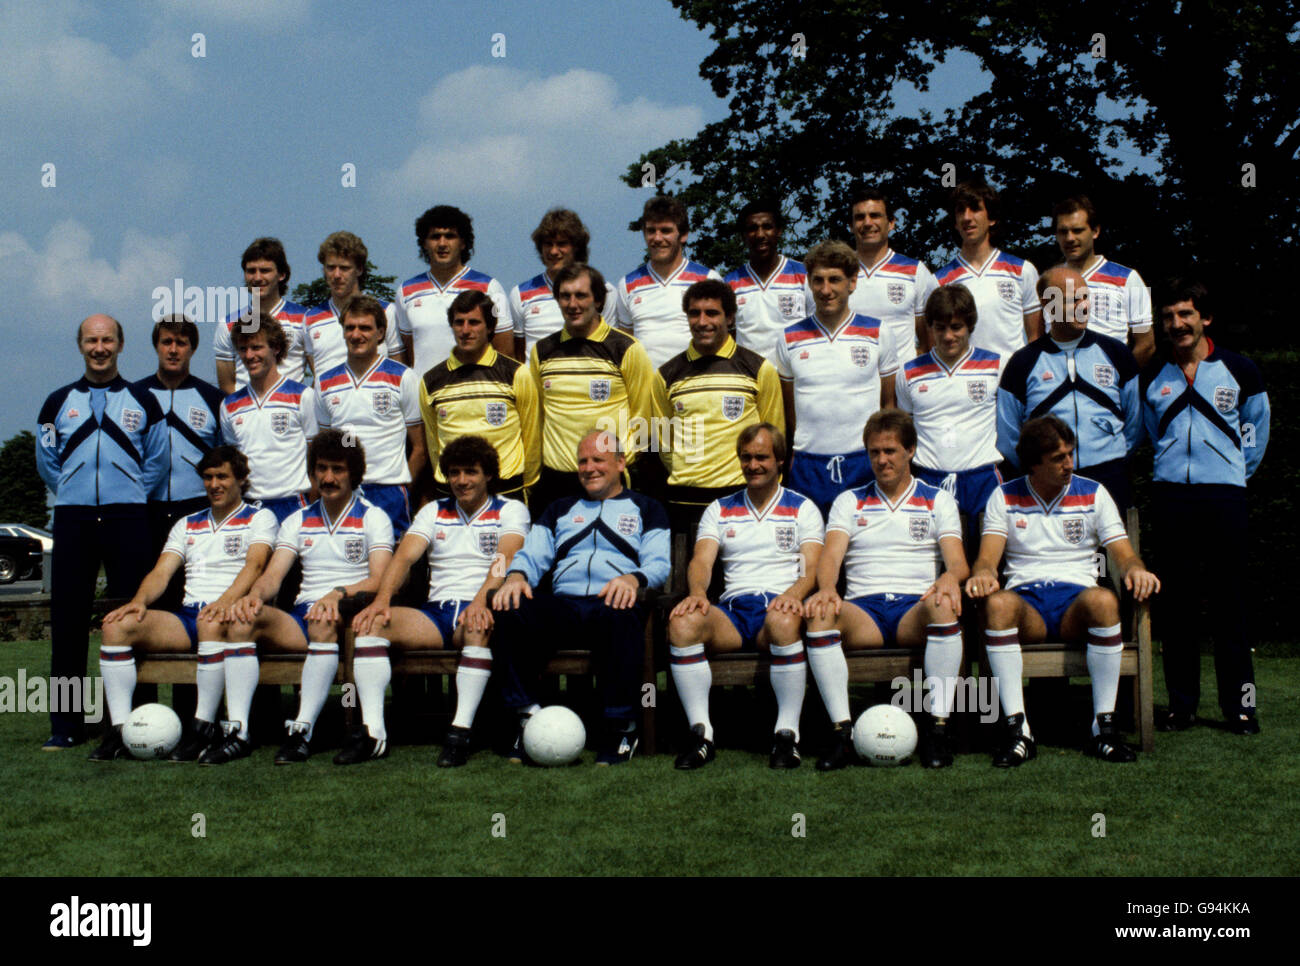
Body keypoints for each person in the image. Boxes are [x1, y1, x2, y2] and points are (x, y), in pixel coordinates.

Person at [965, 416, 1160, 765]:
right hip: (1029, 606)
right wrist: (982, 576)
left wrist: (1137, 571)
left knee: (1104, 599)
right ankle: (1018, 730)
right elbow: (986, 561)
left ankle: (1104, 728)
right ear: (1034, 464)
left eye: (1070, 454)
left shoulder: (1093, 493)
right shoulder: (1004, 496)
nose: (1069, 463)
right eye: (1058, 458)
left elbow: (1125, 555)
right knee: (997, 605)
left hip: (1076, 602)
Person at [492, 429, 669, 765]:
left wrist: (633, 578)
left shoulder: (648, 508)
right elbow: (534, 554)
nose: (589, 468)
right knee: (510, 607)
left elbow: (658, 562)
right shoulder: (558, 508)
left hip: (612, 603)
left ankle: (622, 727)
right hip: (565, 606)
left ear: (620, 462)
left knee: (620, 611)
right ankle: (527, 717)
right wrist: (516, 575)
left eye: (598, 460)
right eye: (583, 461)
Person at [89, 447, 277, 763]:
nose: (214, 484)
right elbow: (162, 572)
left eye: (222, 476)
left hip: (229, 615)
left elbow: (255, 566)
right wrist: (139, 602)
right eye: (208, 477)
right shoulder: (187, 523)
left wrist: (224, 602)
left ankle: (202, 729)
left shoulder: (260, 517)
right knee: (115, 627)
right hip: (190, 616)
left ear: (241, 480)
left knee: (211, 621)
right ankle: (119, 732)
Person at [804, 410, 969, 769]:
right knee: (820, 613)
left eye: (891, 451)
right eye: (874, 452)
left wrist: (948, 577)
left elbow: (958, 564)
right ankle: (841, 734)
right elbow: (830, 557)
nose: (882, 460)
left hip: (915, 607)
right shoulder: (849, 501)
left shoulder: (937, 499)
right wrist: (828, 588)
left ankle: (938, 729)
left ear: (910, 450)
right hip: (865, 610)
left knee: (944, 604)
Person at [352, 435, 529, 767]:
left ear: (488, 474)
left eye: (471, 472)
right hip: (437, 613)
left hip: (482, 608)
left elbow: (505, 559)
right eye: (455, 473)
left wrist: (480, 603)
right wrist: (382, 599)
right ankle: (374, 734)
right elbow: (404, 558)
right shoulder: (433, 510)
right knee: (372, 624)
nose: (462, 481)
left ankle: (459, 733)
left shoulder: (510, 509)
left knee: (477, 628)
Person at [1141, 279, 1269, 735]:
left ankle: (1243, 707)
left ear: (1205, 318)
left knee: (1230, 606)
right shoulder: (1154, 375)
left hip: (1225, 498)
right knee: (1176, 607)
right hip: (1172, 497)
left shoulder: (1240, 369)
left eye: (1186, 314)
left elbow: (1254, 433)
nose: (1176, 324)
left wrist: (1230, 473)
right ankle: (1181, 706)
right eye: (1169, 317)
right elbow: (1151, 434)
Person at [36, 315, 168, 748]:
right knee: (69, 622)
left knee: (134, 618)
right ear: (80, 346)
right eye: (91, 340)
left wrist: (129, 494)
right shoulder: (56, 402)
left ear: (121, 344)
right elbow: (47, 460)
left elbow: (156, 461)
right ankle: (66, 726)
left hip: (128, 518)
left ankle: (134, 719)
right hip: (73, 519)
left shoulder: (143, 401)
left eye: (107, 339)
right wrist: (72, 493)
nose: (99, 347)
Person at [228, 430, 394, 764]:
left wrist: (339, 593)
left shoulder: (373, 516)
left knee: (322, 619)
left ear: (354, 473)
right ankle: (238, 731)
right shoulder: (298, 520)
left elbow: (379, 579)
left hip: (350, 611)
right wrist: (254, 595)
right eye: (321, 468)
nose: (328, 477)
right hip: (306, 613)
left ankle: (302, 731)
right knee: (243, 619)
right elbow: (273, 576)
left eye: (338, 469)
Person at [667, 423, 822, 769]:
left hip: (779, 606)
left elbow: (812, 569)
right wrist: (696, 593)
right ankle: (701, 734)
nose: (753, 465)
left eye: (762, 457)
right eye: (746, 457)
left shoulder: (803, 508)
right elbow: (702, 560)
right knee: (682, 622)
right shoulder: (720, 509)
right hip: (735, 611)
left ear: (781, 460)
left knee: (783, 621)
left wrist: (793, 595)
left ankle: (786, 736)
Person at [997, 266, 1142, 512]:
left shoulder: (1116, 353)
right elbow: (1008, 434)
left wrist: (1113, 458)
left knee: (1108, 552)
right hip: (1046, 481)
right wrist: (1038, 468)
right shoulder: (1023, 362)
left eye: (1085, 297)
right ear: (1048, 305)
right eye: (1073, 300)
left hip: (1109, 477)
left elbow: (1136, 421)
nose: (1083, 306)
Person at [653, 278, 784, 541]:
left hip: (741, 493)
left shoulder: (759, 369)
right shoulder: (666, 375)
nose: (702, 322)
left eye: (712, 313)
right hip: (685, 497)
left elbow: (775, 437)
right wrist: (687, 469)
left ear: (730, 318)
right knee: (687, 580)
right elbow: (661, 441)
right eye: (694, 313)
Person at [776, 239, 898, 516]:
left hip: (863, 462)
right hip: (807, 466)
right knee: (809, 555)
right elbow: (788, 410)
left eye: (835, 280)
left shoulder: (878, 333)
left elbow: (888, 406)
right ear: (808, 282)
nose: (826, 290)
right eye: (818, 280)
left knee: (863, 553)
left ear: (852, 282)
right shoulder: (788, 338)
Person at [529, 263, 656, 513]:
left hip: (608, 480)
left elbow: (643, 420)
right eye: (565, 296)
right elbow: (536, 418)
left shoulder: (626, 348)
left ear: (598, 301)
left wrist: (621, 465)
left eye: (581, 295)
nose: (573, 304)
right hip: (556, 480)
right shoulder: (542, 351)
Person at [894, 285, 1002, 551]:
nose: (949, 336)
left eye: (956, 327)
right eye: (940, 327)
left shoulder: (996, 366)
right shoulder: (908, 372)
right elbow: (906, 428)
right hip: (928, 478)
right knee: (932, 563)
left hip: (982, 477)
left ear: (970, 326)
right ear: (929, 327)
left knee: (986, 562)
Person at [314, 295, 425, 538]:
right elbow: (324, 447)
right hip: (344, 491)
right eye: (350, 328)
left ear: (380, 333)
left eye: (365, 327)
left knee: (393, 570)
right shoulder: (325, 382)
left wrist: (403, 487)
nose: (356, 335)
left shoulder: (403, 377)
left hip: (389, 491)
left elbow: (419, 447)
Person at [135, 314, 227, 592]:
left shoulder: (213, 398)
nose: (173, 350)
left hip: (198, 508)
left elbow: (225, 458)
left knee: (197, 592)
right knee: (149, 593)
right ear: (156, 346)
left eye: (181, 343)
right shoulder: (134, 395)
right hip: (147, 509)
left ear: (192, 349)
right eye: (167, 342)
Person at [420, 290, 539, 502]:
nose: (465, 330)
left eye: (474, 322)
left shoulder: (516, 374)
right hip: (454, 491)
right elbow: (434, 445)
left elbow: (531, 440)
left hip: (506, 490)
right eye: (459, 323)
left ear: (490, 327)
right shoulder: (430, 381)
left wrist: (527, 488)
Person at [219, 316, 319, 522]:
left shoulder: (302, 396)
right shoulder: (229, 406)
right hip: (249, 506)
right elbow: (233, 465)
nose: (249, 355)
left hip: (293, 503)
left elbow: (316, 456)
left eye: (256, 347)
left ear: (275, 348)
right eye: (243, 349)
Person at [935, 181, 1042, 366]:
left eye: (975, 209)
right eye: (960, 210)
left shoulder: (1023, 271)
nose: (967, 217)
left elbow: (1036, 338)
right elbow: (935, 345)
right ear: (955, 222)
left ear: (992, 218)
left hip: (1011, 383)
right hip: (963, 385)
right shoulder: (939, 281)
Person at [394, 205, 510, 376]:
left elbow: (505, 351)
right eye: (435, 237)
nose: (442, 243)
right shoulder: (405, 291)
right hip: (424, 396)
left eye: (450, 236)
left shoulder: (490, 287)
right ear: (424, 243)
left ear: (463, 243)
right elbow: (408, 356)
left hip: (474, 394)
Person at [614, 194, 722, 368]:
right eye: (651, 231)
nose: (657, 238)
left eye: (665, 230)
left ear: (684, 234)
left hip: (694, 385)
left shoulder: (708, 280)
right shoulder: (627, 284)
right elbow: (625, 344)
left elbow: (723, 339)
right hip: (646, 389)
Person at [1052, 195, 1155, 367]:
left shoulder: (1129, 278)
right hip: (1057, 385)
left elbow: (1146, 344)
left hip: (1109, 386)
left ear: (1095, 231)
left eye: (1077, 230)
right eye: (1063, 232)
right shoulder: (1048, 281)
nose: (1070, 238)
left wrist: (1120, 379)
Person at [846, 186, 938, 365]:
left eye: (875, 215)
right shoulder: (839, 273)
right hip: (853, 387)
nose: (867, 223)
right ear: (850, 226)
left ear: (891, 223)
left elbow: (930, 341)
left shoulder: (916, 271)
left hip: (900, 386)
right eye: (859, 217)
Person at [508, 209, 616, 361]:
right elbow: (518, 354)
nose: (553, 251)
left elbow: (611, 344)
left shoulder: (605, 290)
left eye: (561, 244)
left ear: (576, 246)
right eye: (548, 244)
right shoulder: (519, 294)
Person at [213, 238, 308, 393]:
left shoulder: (305, 319)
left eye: (265, 271)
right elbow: (227, 385)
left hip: (291, 413)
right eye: (251, 271)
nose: (257, 278)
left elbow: (320, 378)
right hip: (246, 413)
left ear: (282, 274)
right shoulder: (229, 323)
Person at [301, 231, 406, 371]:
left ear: (359, 270)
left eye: (344, 268)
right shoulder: (310, 319)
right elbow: (317, 377)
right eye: (331, 268)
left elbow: (399, 369)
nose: (337, 275)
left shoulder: (386, 312)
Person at [723, 198, 813, 358]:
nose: (760, 235)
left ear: (779, 231)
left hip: (794, 375)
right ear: (743, 236)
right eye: (752, 229)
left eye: (767, 227)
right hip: (750, 377)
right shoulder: (730, 283)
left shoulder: (804, 274)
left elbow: (818, 327)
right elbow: (727, 335)